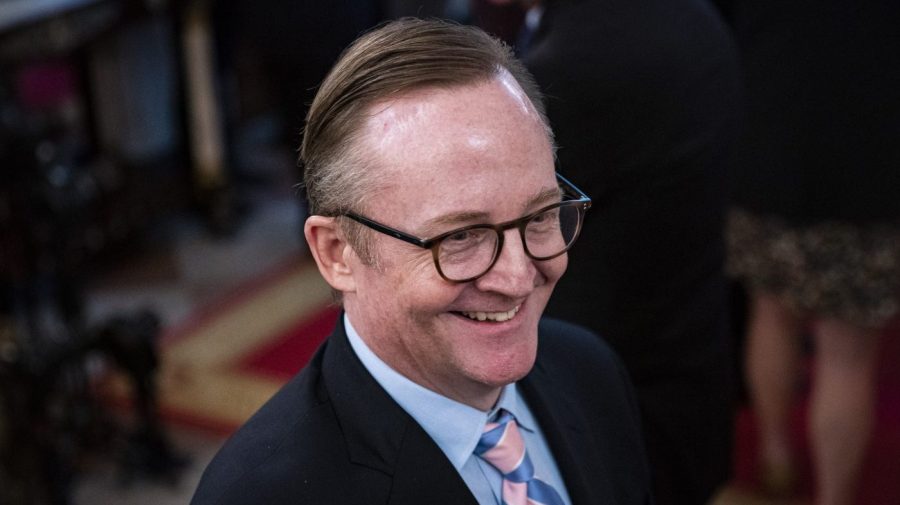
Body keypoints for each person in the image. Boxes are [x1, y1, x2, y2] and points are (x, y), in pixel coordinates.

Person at [191, 18, 653, 505]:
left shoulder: (589, 372)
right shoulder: (261, 495)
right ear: (337, 252)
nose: (517, 277)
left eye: (539, 216)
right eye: (461, 236)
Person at [479, 1, 742, 504]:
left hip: (613, 383)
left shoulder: (570, 68)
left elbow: (505, 228)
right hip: (691, 344)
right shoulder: (693, 16)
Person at [719, 1, 900, 503]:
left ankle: (777, 460)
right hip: (872, 161)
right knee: (847, 354)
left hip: (768, 142)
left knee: (771, 313)